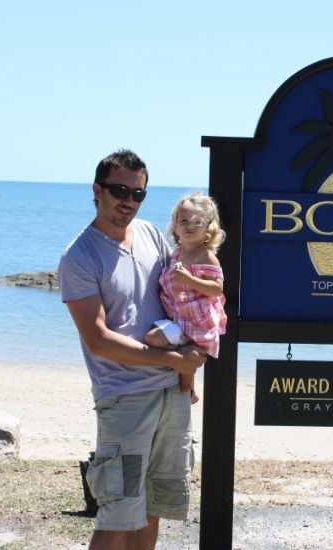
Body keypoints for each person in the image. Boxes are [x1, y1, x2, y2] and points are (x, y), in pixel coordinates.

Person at [58, 149, 206, 550]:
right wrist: (173, 360)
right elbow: (98, 339)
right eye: (120, 190)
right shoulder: (79, 257)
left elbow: (178, 303)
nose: (129, 200)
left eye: (138, 193)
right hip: (124, 399)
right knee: (118, 516)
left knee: (154, 508)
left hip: (171, 395)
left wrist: (184, 373)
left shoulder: (151, 235)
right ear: (97, 189)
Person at [145, 192, 227, 404]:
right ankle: (188, 388)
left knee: (153, 339)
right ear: (175, 226)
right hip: (180, 320)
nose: (190, 226)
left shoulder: (206, 256)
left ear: (208, 228)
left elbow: (217, 289)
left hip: (197, 324)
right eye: (184, 221)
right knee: (180, 371)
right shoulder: (177, 254)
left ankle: (186, 369)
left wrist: (190, 280)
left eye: (197, 222)